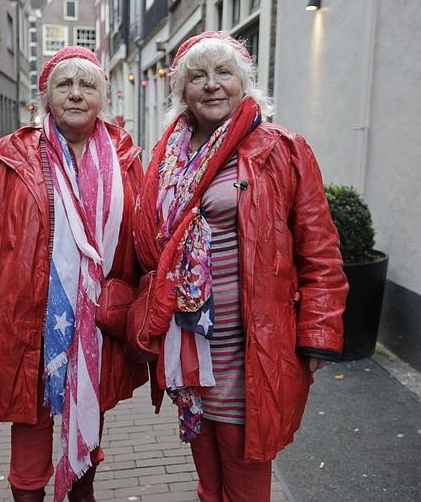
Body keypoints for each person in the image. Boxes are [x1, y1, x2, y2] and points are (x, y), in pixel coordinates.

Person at [132, 31, 349, 502]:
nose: (212, 85)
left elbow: (321, 252)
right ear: (182, 92)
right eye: (198, 76)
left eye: (224, 73)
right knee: (209, 482)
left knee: (247, 482)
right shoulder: (167, 160)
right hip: (190, 348)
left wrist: (318, 334)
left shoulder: (283, 150)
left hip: (253, 349)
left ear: (243, 83)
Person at [0, 46, 147, 502]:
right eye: (64, 85)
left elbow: (143, 238)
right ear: (46, 96)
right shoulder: (4, 157)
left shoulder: (127, 159)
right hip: (26, 323)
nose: (76, 95)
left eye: (87, 85)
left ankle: (82, 492)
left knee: (88, 422)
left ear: (104, 97)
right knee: (30, 432)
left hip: (97, 324)